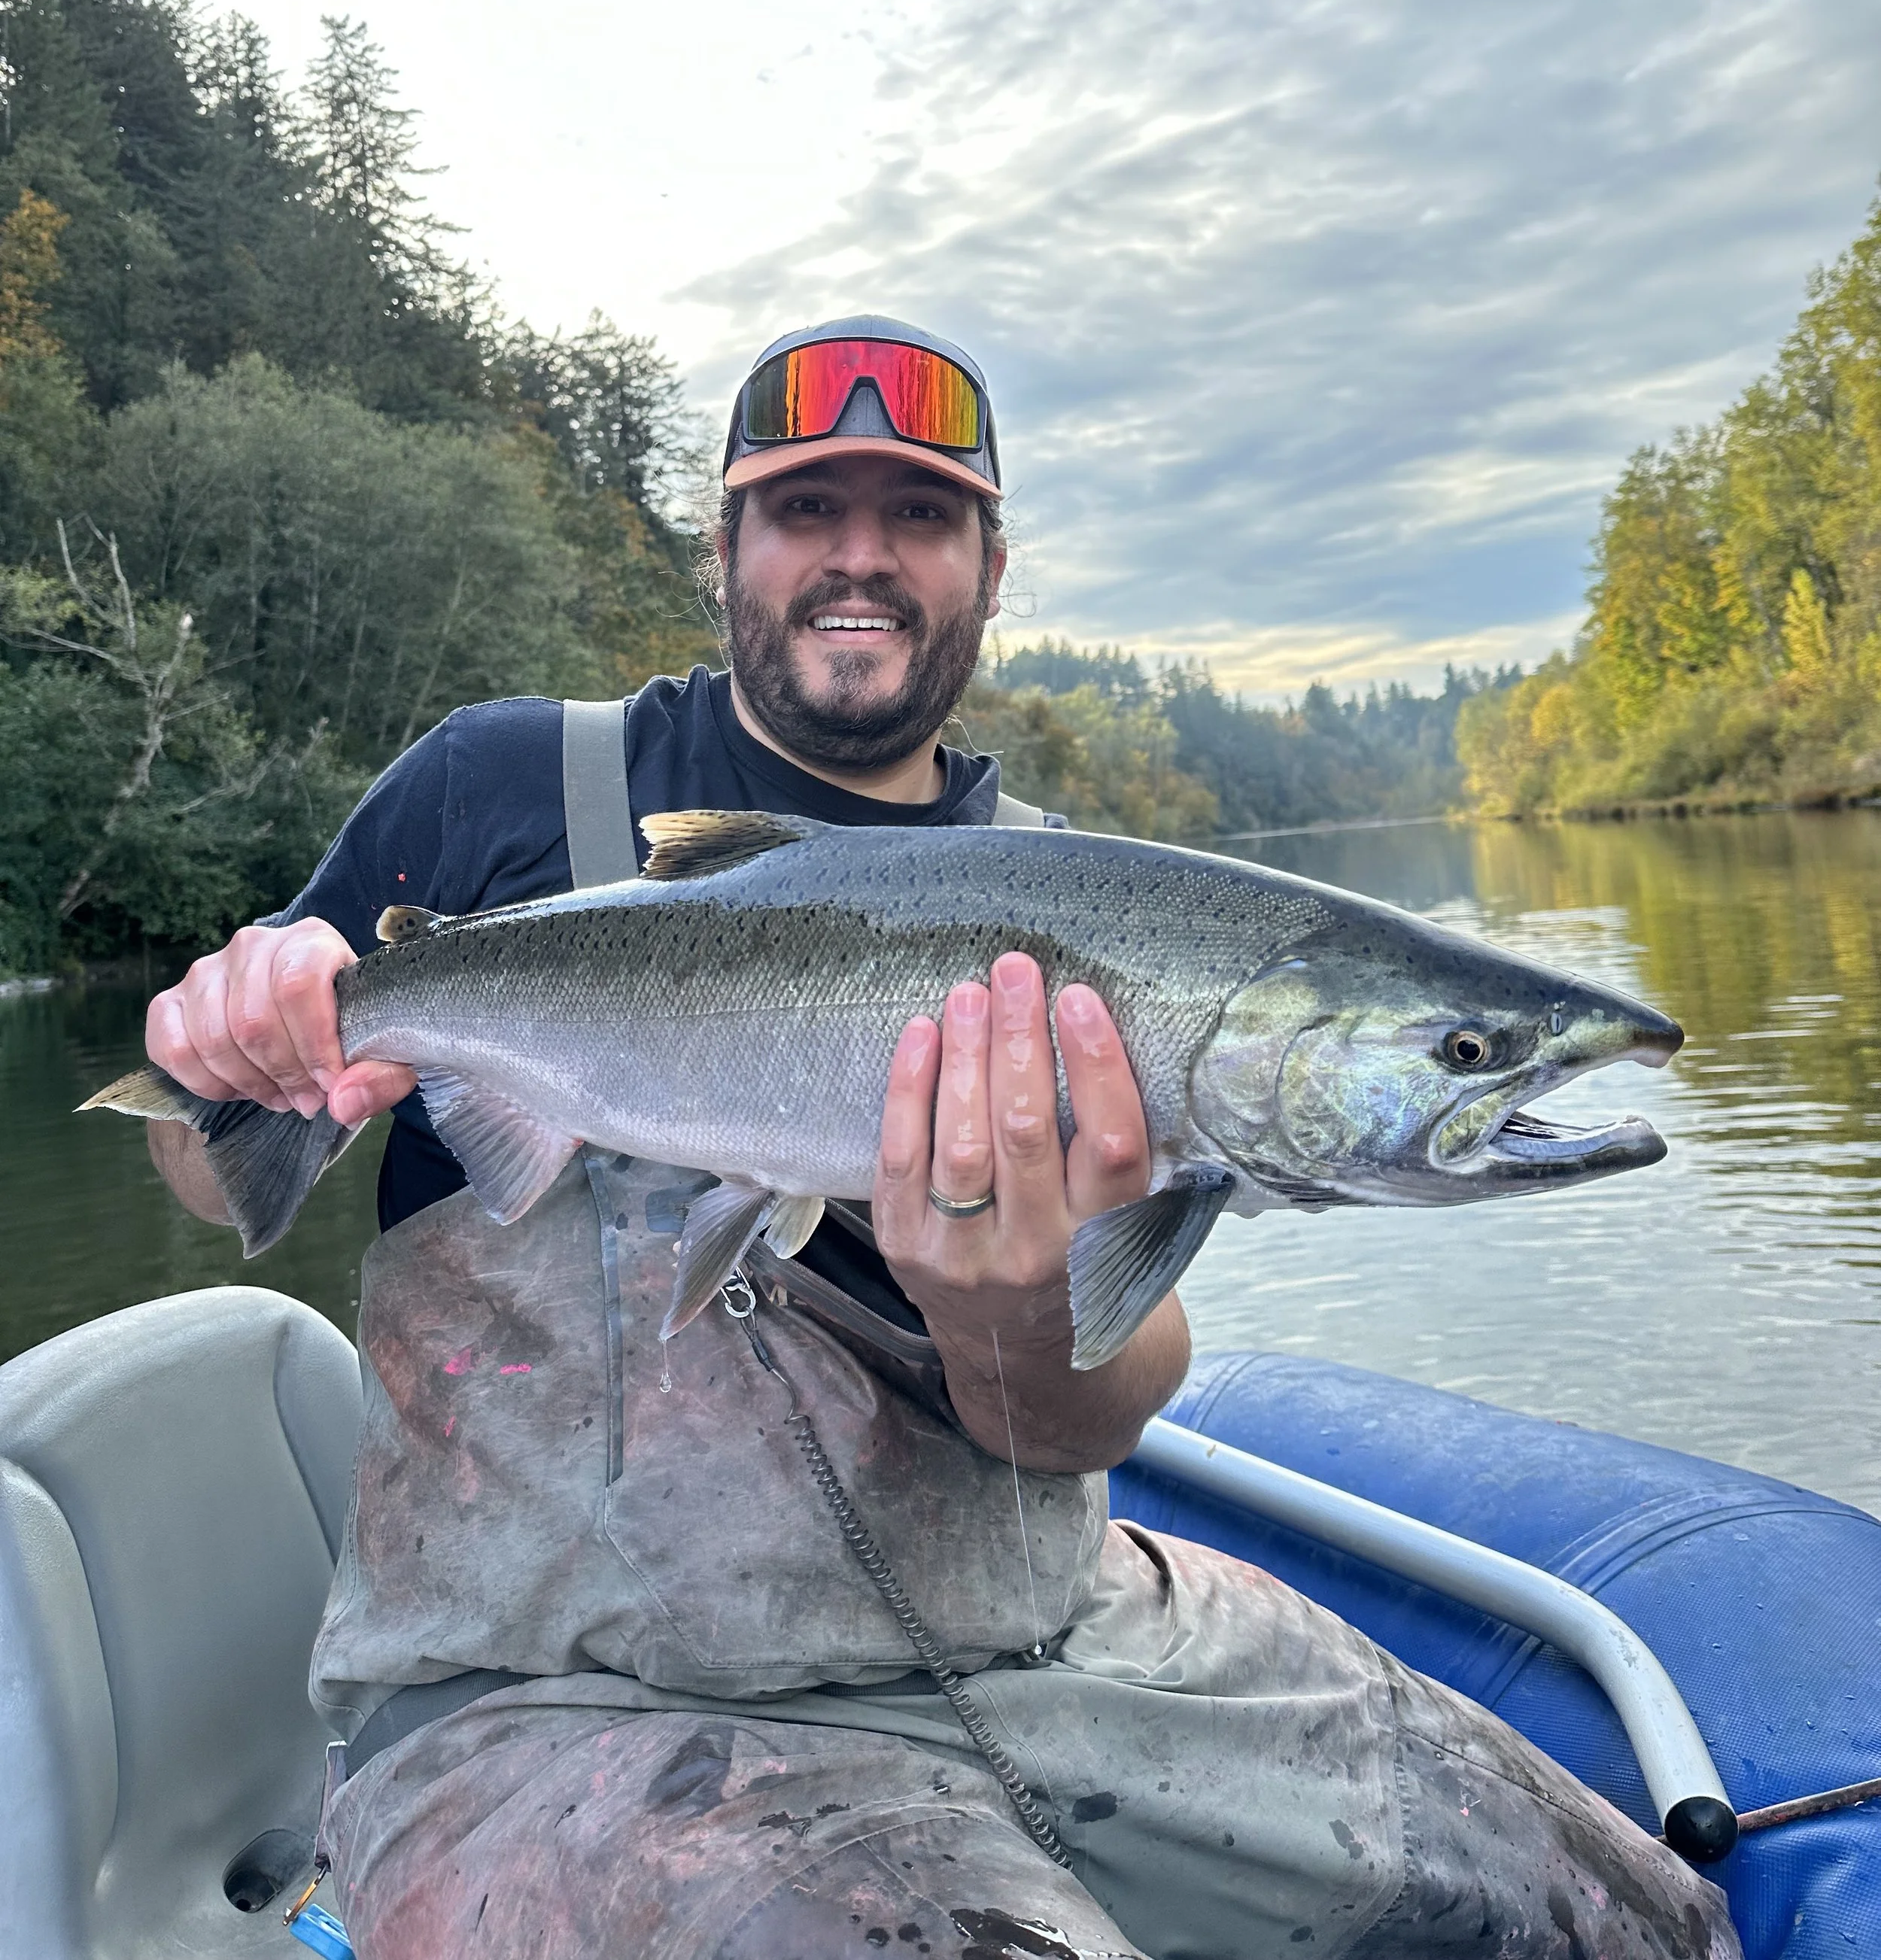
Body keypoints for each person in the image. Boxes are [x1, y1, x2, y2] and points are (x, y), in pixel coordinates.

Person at [144, 319, 1740, 1960]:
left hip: (1046, 1651)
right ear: (727, 548)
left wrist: (1005, 1308)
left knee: (1647, 1926)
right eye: (804, 509)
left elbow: (1083, 1413)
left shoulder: (1086, 897)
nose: (860, 556)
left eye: (917, 516)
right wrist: (227, 1041)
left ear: (989, 562)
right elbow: (207, 1172)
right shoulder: (492, 787)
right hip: (551, 1713)